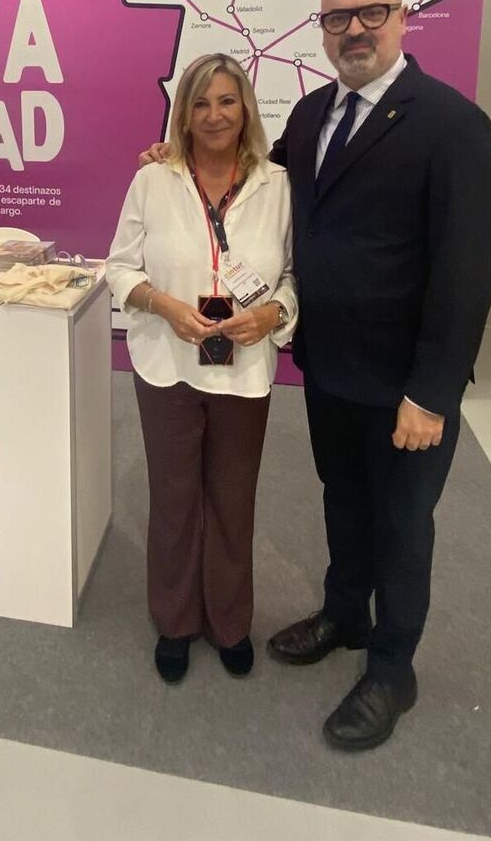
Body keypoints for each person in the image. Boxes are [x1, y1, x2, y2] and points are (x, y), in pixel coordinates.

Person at [140, 0, 491, 748]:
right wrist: (165, 169)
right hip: (331, 365)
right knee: (344, 497)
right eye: (338, 20)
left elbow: (468, 272)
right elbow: (253, 188)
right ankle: (344, 614)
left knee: (404, 522)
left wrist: (433, 391)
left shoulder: (452, 125)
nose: (355, 31)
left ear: (403, 20)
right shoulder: (310, 116)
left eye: (372, 14)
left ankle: (393, 669)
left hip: (406, 381)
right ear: (323, 32)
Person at [107, 53, 298, 684]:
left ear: (246, 108)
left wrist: (273, 313)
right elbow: (120, 268)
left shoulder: (279, 185)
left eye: (227, 101)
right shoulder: (153, 181)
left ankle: (229, 622)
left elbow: (296, 277)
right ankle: (175, 621)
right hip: (166, 365)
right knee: (174, 497)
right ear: (182, 113)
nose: (214, 115)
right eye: (200, 103)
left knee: (232, 499)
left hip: (243, 370)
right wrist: (162, 304)